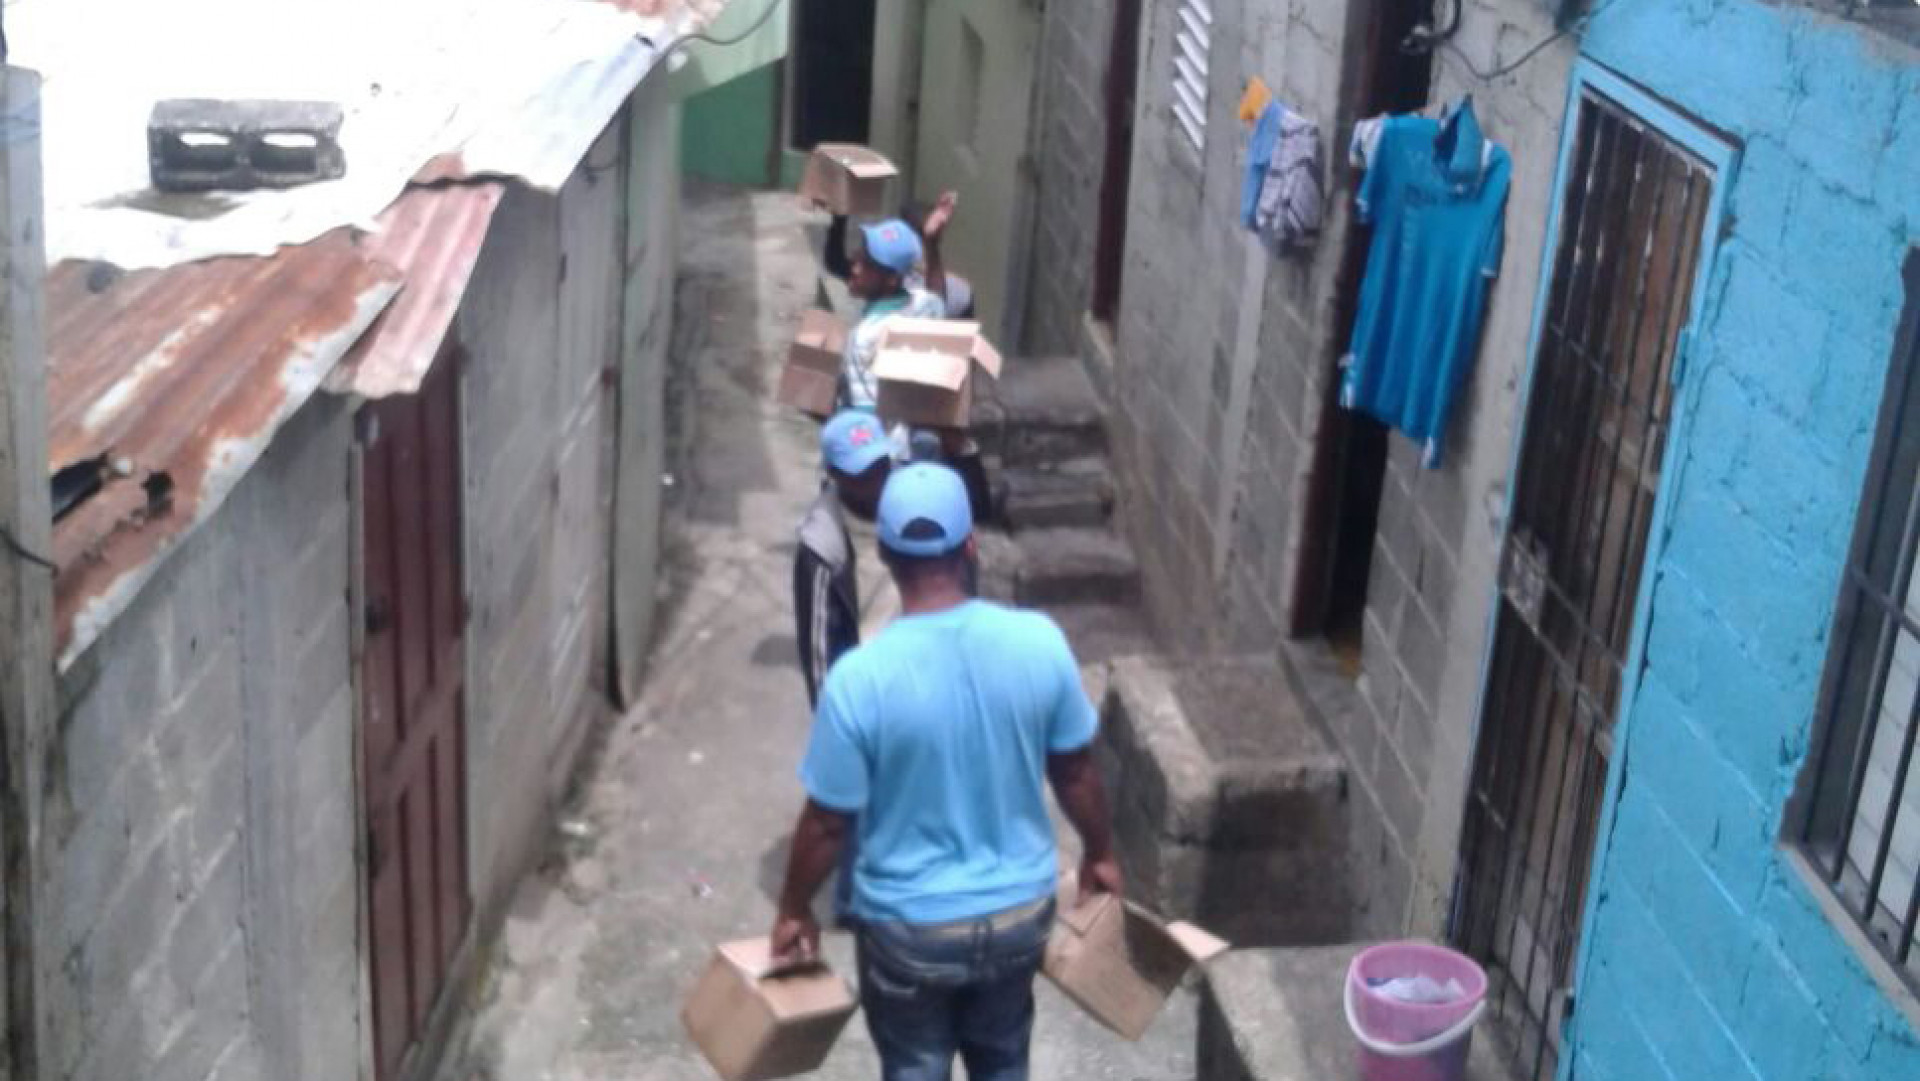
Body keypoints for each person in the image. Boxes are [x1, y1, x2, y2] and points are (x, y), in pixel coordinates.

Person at [770, 463, 1122, 1081]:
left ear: (885, 554)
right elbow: (1075, 772)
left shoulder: (859, 679)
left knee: (915, 1065)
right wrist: (1100, 852)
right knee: (1003, 1058)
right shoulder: (1039, 642)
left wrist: (795, 909)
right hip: (1018, 915)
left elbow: (827, 822)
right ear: (971, 546)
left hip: (909, 929)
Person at [793, 410, 897, 925]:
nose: (874, 482)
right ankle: (854, 904)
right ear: (835, 475)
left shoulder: (909, 502)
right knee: (856, 796)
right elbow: (816, 641)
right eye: (861, 473)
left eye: (879, 467)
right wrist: (832, 716)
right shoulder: (822, 545)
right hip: (862, 678)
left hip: (911, 662)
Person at [840, 210, 951, 412]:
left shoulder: (864, 337)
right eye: (859, 256)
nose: (855, 269)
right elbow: (936, 299)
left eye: (867, 264)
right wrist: (932, 245)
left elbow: (866, 416)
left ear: (892, 279)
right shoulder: (920, 304)